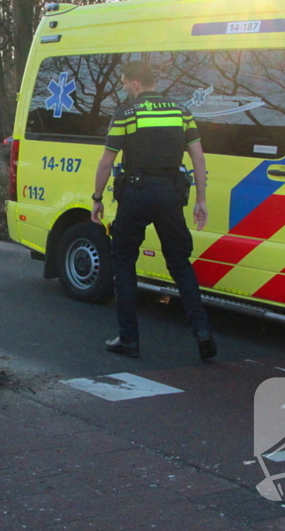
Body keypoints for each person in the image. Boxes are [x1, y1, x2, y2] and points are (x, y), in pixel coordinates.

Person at [91, 60, 216, 360]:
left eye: (124, 84)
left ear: (135, 82)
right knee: (179, 263)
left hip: (135, 194)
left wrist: (97, 198)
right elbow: (198, 159)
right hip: (171, 195)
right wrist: (201, 199)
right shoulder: (182, 112)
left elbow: (106, 162)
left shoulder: (126, 114)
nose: (124, 90)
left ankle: (129, 339)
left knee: (123, 262)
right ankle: (203, 333)